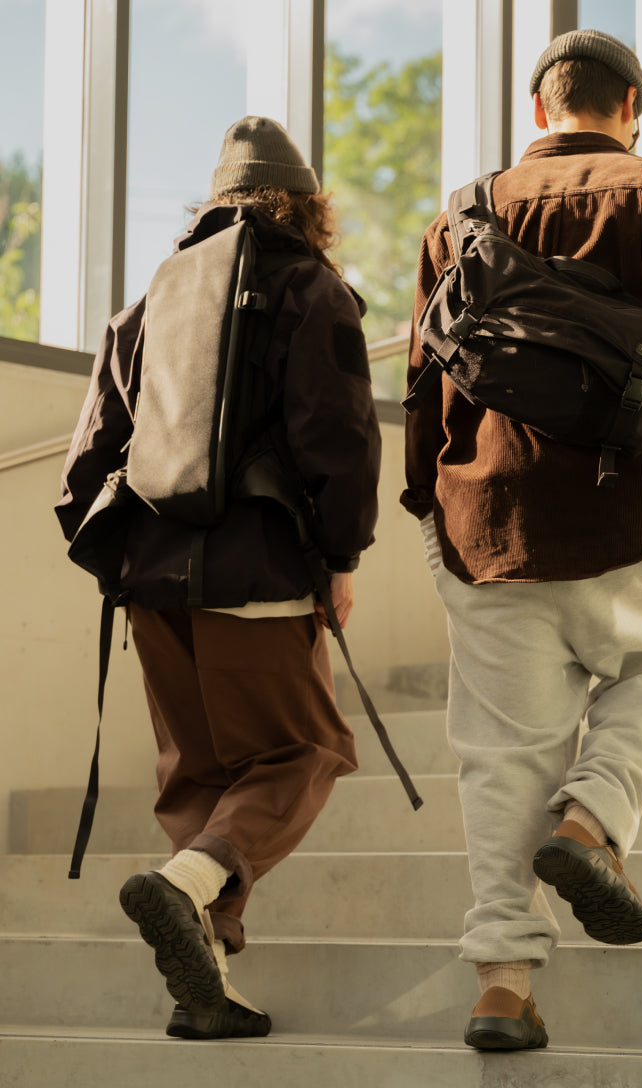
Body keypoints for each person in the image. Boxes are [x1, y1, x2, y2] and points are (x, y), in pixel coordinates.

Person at [401, 29, 642, 1050]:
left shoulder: (459, 216)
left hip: (486, 524)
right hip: (628, 511)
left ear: (539, 109)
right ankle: (592, 821)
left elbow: (424, 385)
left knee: (502, 760)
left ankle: (501, 987)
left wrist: (427, 515)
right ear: (631, 104)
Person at [56, 116, 381, 1039]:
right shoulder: (312, 289)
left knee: (198, 778)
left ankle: (206, 986)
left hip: (152, 582)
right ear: (307, 207)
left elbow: (86, 463)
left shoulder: (151, 299)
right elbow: (338, 442)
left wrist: (126, 564)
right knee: (303, 751)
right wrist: (341, 558)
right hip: (260, 575)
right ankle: (186, 884)